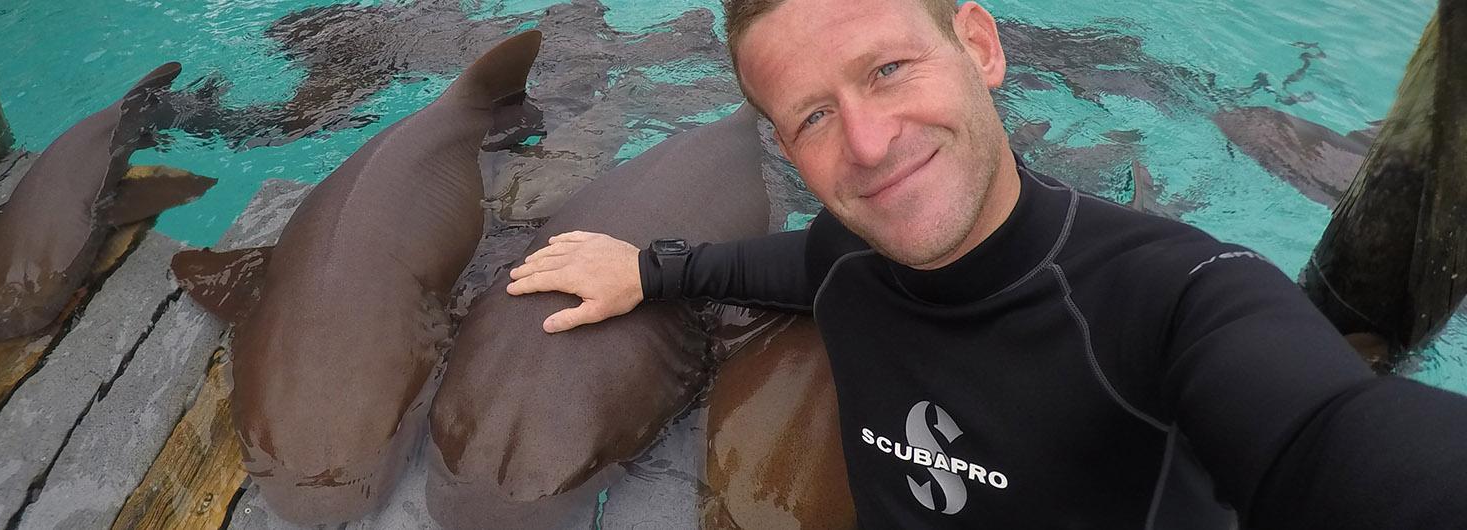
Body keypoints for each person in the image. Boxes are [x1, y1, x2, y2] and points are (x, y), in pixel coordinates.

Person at [501, 0, 1467, 527]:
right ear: (787, 151)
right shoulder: (846, 257)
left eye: (888, 69)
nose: (870, 143)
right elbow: (794, 262)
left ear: (981, 45)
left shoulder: (1177, 294)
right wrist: (652, 270)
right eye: (814, 115)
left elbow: (1330, 441)